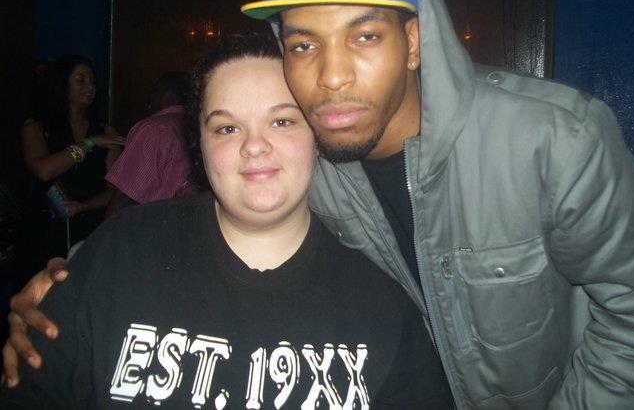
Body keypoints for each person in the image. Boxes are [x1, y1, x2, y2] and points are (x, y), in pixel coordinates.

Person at [4, 0, 634, 408]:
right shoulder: (311, 160)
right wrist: (68, 286)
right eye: (303, 44)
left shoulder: (551, 139)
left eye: (364, 36)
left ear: (414, 42)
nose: (331, 77)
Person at [0, 34, 452, 409]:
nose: (254, 146)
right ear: (198, 146)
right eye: (227, 128)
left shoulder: (380, 304)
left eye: (282, 121)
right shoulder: (121, 253)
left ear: (316, 137)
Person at [18, 55, 124, 271]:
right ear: (61, 83)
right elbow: (44, 170)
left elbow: (115, 190)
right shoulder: (37, 126)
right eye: (81, 80)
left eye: (93, 81)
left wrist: (84, 206)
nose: (90, 87)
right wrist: (89, 143)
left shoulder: (105, 131)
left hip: (88, 228)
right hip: (45, 230)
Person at [104, 71, 194, 217]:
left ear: (166, 93)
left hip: (153, 224)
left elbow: (126, 196)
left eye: (153, 92)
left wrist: (106, 229)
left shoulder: (155, 129)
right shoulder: (196, 127)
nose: (149, 100)